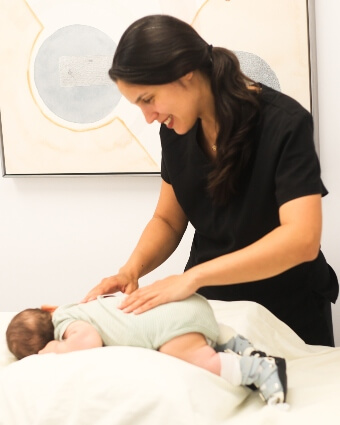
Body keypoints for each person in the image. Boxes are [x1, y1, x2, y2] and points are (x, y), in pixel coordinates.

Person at [82, 15, 338, 346]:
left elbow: (301, 239)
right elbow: (168, 220)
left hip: (289, 309)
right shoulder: (174, 131)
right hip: (214, 309)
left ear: (185, 75)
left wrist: (193, 277)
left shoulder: (285, 124)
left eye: (148, 99)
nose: (148, 117)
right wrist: (130, 272)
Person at [6, 294, 287, 405]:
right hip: (187, 306)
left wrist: (57, 348)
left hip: (170, 326)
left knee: (195, 357)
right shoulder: (73, 308)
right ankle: (238, 345)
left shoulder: (67, 324)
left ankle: (257, 370)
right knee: (208, 331)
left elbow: (87, 341)